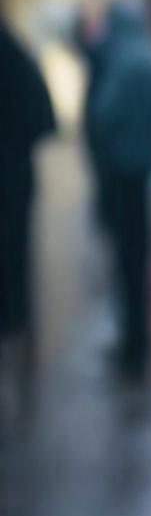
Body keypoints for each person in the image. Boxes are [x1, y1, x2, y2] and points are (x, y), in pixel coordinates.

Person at [87, 0, 151, 374]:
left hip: (120, 176)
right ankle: (139, 338)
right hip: (143, 173)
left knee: (126, 258)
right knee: (140, 255)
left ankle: (133, 344)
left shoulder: (119, 63)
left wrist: (116, 150)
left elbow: (103, 116)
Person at [0, 18, 56, 367]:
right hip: (16, 177)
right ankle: (16, 322)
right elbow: (45, 120)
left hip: (14, 177)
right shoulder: (21, 59)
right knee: (17, 253)